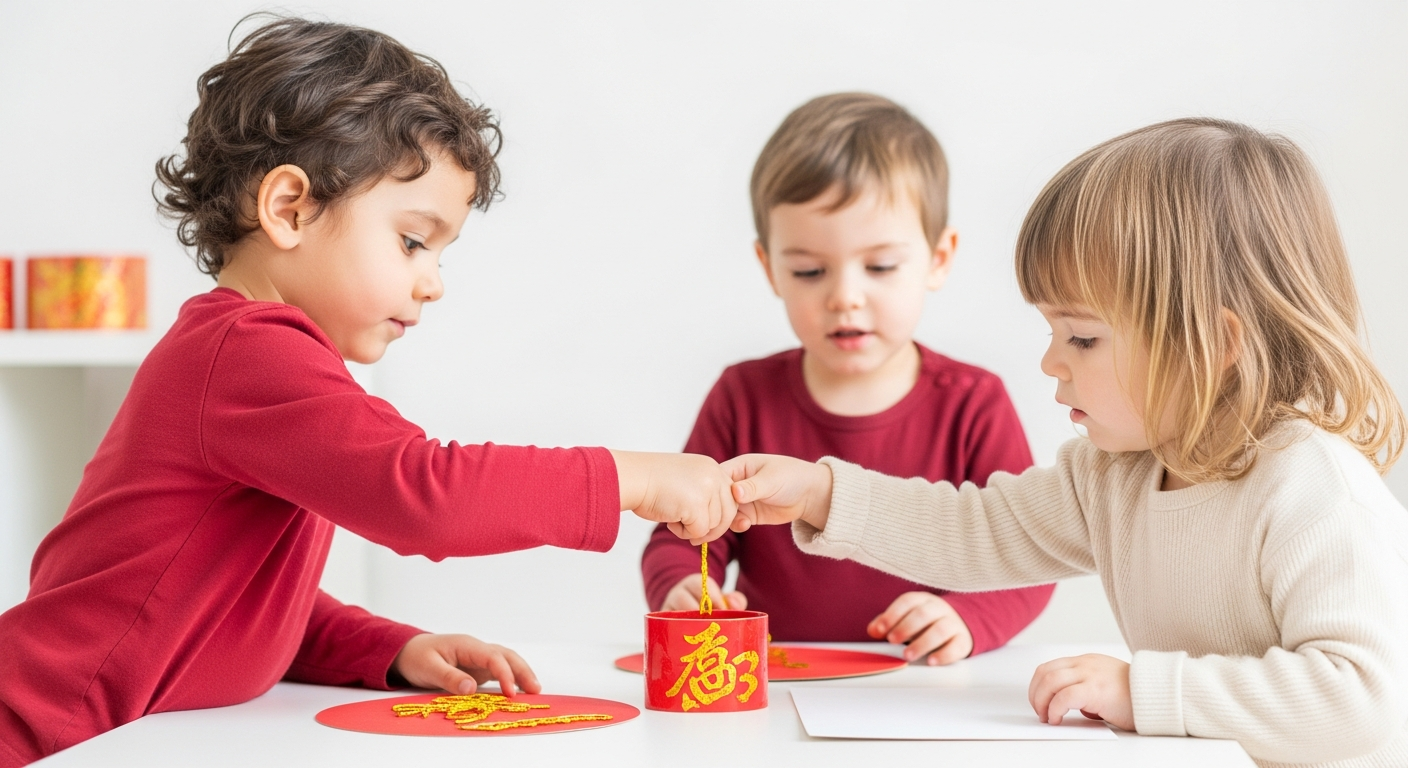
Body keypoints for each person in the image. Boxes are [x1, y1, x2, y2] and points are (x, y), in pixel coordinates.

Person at [0, 17, 735, 767]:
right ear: (290, 208)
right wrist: (632, 478)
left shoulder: (257, 362)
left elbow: (229, 606)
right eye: (413, 242)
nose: (433, 282)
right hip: (44, 738)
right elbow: (425, 495)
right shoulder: (247, 353)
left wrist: (393, 647)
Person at [721, 118, 1408, 766]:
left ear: (1215, 343)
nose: (1052, 361)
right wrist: (819, 494)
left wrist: (1144, 691)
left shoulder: (1314, 490)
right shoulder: (1114, 475)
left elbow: (1364, 697)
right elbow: (973, 530)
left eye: (1082, 337)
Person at [641, 93, 1053, 663]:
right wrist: (684, 588)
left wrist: (968, 618)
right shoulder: (743, 396)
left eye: (881, 266)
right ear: (770, 268)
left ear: (938, 257)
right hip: (780, 681)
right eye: (809, 271)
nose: (844, 297)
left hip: (921, 682)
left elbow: (1030, 551)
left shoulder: (973, 402)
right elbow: (677, 533)